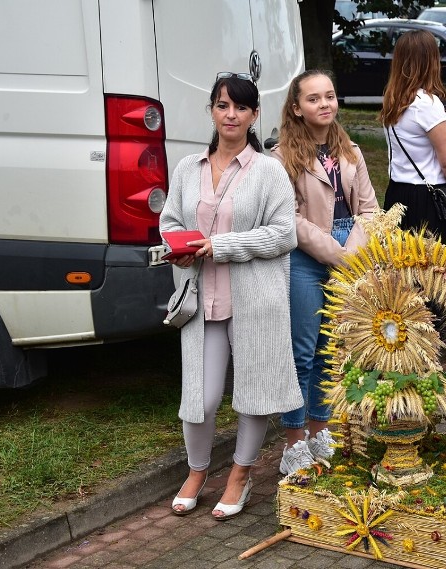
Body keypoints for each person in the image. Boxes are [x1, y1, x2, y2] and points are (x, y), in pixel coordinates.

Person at [160, 72, 303, 520]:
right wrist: (178, 248)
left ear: (254, 114)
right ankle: (198, 471)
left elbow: (284, 234)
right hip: (201, 301)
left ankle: (240, 475)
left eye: (241, 107)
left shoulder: (269, 170)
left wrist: (223, 246)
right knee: (199, 399)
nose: (231, 114)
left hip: (254, 302)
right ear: (212, 111)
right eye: (223, 105)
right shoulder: (188, 169)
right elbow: (168, 221)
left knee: (255, 393)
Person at [272, 70, 378, 474]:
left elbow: (368, 209)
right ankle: (294, 442)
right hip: (306, 256)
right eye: (313, 99)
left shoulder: (349, 150)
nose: (324, 104)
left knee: (329, 353)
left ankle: (320, 432)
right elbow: (289, 218)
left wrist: (350, 253)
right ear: (297, 108)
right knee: (302, 351)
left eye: (329, 96)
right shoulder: (282, 157)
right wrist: (333, 253)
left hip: (348, 249)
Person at [380, 29, 446, 241]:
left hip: (396, 193)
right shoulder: (426, 104)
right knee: (432, 267)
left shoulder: (393, 101)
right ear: (431, 61)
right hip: (427, 200)